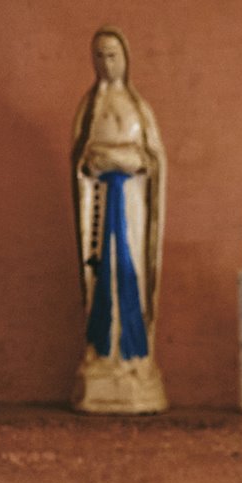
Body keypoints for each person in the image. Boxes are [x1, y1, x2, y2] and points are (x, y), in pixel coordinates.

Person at [70, 26, 168, 414]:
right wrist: (93, 164)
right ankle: (102, 355)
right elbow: (78, 156)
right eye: (100, 56)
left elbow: (154, 158)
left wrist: (131, 162)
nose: (106, 63)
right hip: (99, 204)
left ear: (126, 58)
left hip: (131, 205)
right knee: (101, 275)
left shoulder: (138, 107)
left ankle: (133, 357)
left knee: (131, 273)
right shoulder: (89, 106)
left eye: (113, 55)